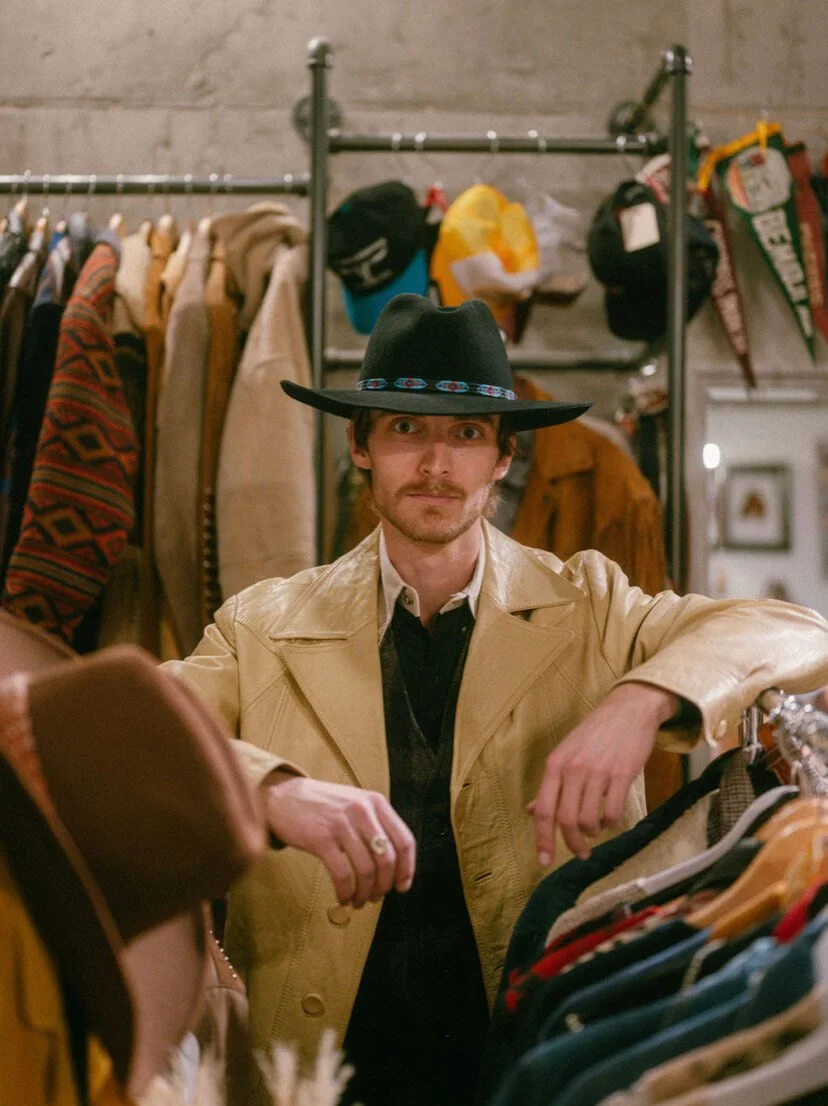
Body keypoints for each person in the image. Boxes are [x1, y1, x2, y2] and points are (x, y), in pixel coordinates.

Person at [165, 294, 828, 1106]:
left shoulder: (591, 606)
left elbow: (796, 629)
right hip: (313, 1062)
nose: (436, 465)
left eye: (466, 435)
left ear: (503, 458)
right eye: (406, 428)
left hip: (533, 1053)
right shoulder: (260, 625)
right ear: (360, 445)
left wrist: (644, 696)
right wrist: (272, 788)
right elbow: (131, 738)